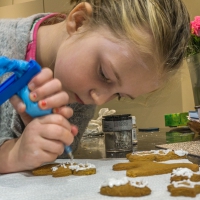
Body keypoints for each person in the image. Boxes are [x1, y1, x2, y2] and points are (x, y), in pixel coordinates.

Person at [0, 0, 190, 173]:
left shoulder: (80, 98)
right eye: (103, 74)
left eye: (119, 95)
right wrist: (10, 156)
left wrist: (42, 145)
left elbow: (54, 165)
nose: (99, 99)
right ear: (80, 21)